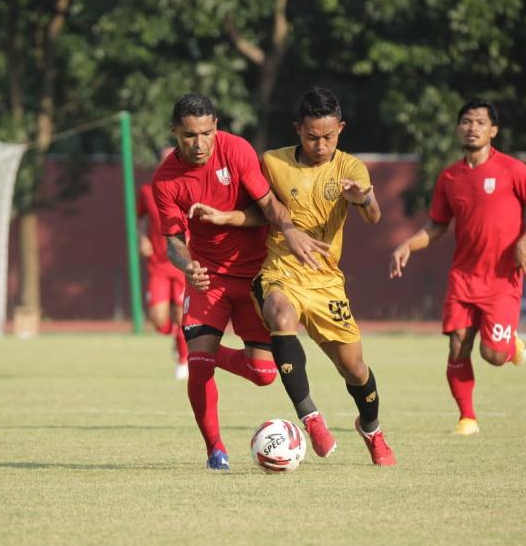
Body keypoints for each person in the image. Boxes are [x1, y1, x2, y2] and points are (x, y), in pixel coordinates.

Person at [192, 86, 397, 466]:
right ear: (297, 129)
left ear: (341, 129)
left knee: (354, 369)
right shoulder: (273, 162)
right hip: (280, 270)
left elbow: (374, 214)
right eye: (312, 136)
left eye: (329, 137)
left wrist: (362, 197)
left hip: (326, 280)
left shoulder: (350, 168)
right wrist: (227, 217)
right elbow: (263, 211)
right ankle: (311, 418)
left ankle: (371, 428)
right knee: (280, 314)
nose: (321, 145)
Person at [152, 93, 330, 470]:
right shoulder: (165, 180)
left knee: (265, 375)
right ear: (174, 132)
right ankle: (215, 450)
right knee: (198, 366)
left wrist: (289, 230)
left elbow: (268, 206)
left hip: (255, 275)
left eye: (206, 133)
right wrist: (188, 265)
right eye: (188, 135)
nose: (199, 144)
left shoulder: (236, 151)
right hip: (209, 278)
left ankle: (205, 352)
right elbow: (172, 242)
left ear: (216, 126)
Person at [389, 98, 526, 435]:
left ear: (493, 130)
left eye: (480, 122)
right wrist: (408, 244)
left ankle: (510, 346)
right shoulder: (450, 177)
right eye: (466, 121)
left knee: (492, 354)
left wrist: (524, 244)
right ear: (457, 128)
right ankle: (467, 417)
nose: (472, 127)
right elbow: (437, 226)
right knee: (457, 344)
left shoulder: (514, 170)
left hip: (503, 279)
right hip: (463, 277)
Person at [136, 149, 189, 380]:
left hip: (182, 263)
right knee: (158, 319)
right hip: (158, 263)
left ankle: (182, 360)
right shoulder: (147, 191)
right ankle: (175, 337)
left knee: (182, 315)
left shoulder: (186, 189)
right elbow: (139, 219)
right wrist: (142, 238)